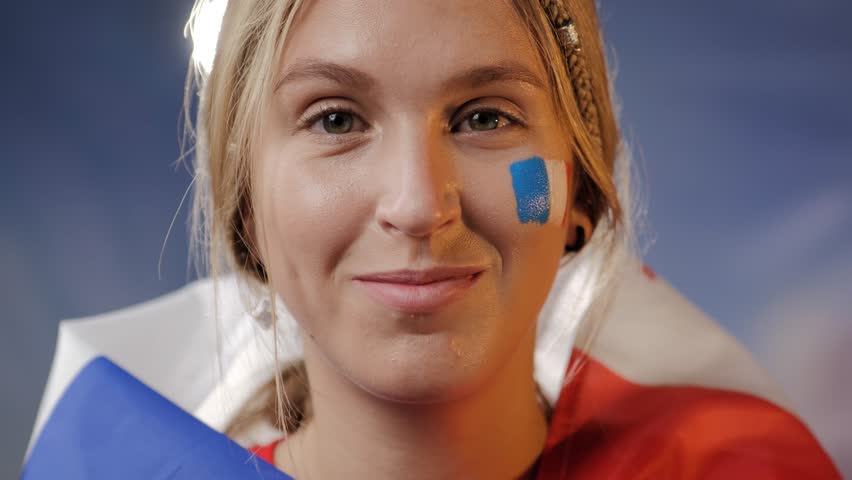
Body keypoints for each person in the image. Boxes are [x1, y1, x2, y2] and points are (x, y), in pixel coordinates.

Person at [22, 0, 841, 478]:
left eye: (486, 117)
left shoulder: (739, 470)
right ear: (248, 212)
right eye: (335, 119)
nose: (418, 204)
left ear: (580, 195)